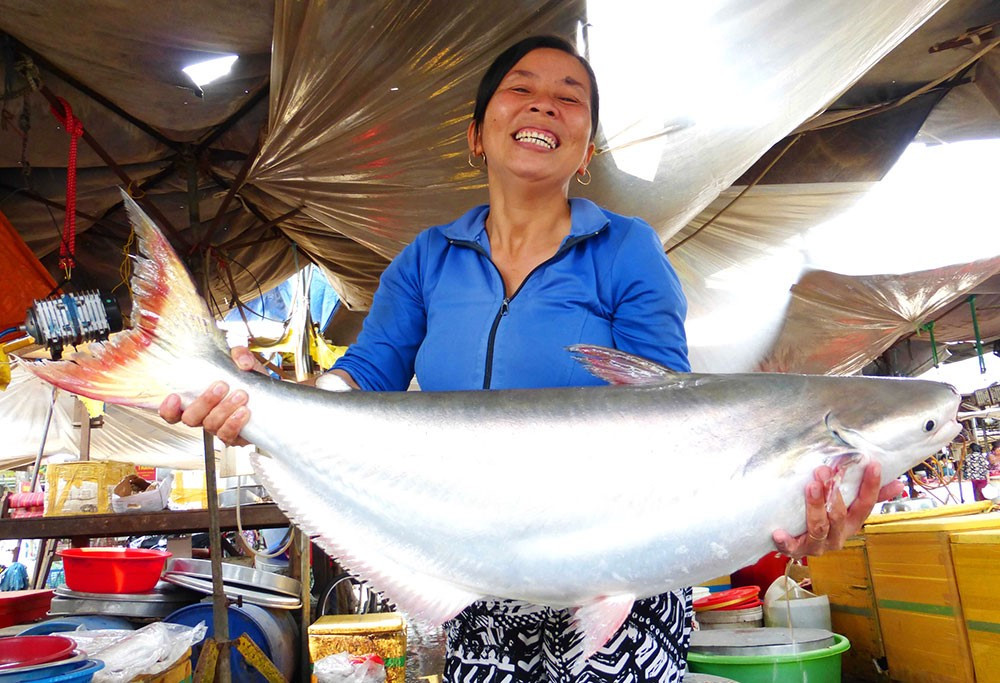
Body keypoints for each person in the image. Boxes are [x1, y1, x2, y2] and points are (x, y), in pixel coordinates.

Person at [160, 35, 895, 683]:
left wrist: (785, 505)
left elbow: (675, 408)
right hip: (473, 584)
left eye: (570, 99)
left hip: (624, 587)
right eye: (521, 90)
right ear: (477, 133)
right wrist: (262, 404)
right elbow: (362, 376)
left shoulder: (627, 249)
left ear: (588, 147)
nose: (544, 107)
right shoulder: (427, 260)